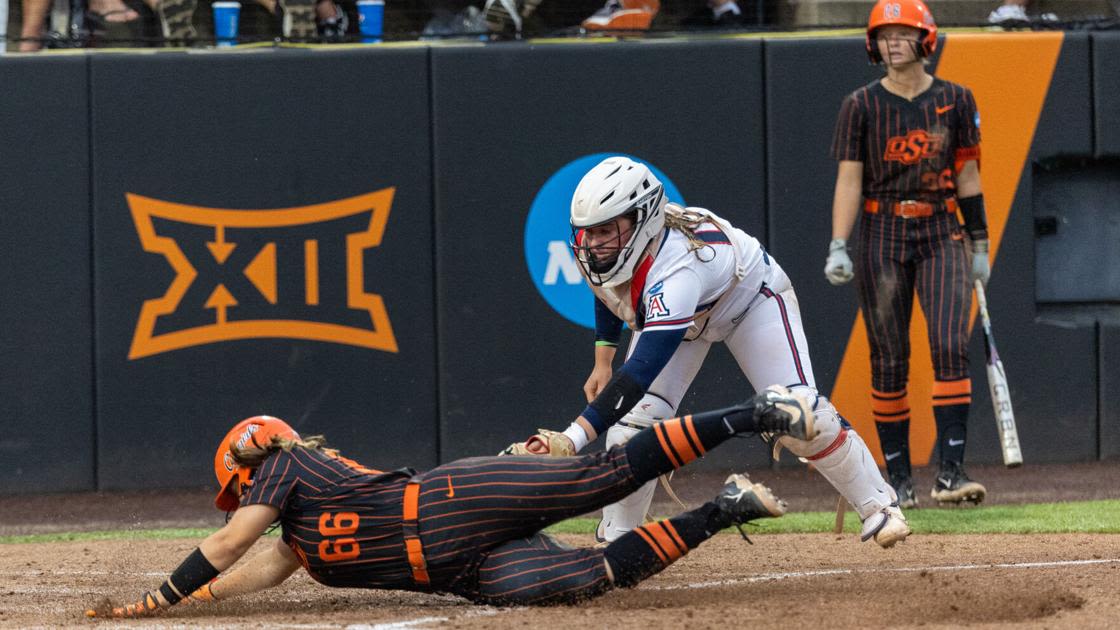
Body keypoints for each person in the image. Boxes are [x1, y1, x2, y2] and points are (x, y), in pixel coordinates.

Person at [87, 391, 811, 617]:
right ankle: (724, 510)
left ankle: (752, 415)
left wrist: (159, 598)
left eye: (236, 486)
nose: (238, 500)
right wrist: (206, 596)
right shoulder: (298, 534)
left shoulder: (287, 462)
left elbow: (229, 544)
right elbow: (258, 567)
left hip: (449, 504)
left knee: (603, 478)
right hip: (460, 574)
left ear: (253, 461)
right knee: (589, 578)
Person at [502, 155, 910, 549]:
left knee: (799, 412)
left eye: (605, 230)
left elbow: (642, 371)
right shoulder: (608, 250)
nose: (592, 243)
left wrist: (572, 439)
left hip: (749, 299)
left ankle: (881, 507)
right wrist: (603, 358)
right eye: (588, 232)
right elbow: (608, 291)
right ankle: (617, 539)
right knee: (632, 425)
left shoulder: (677, 269)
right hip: (682, 316)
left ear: (642, 221)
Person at [823, 0, 990, 509]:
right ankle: (897, 481)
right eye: (883, 34)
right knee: (889, 358)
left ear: (925, 38)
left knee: (948, 345)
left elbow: (968, 176)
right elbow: (849, 179)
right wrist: (838, 243)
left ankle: (951, 475)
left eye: (902, 33)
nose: (891, 42)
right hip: (881, 231)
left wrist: (979, 241)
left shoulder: (957, 100)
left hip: (942, 228)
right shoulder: (861, 104)